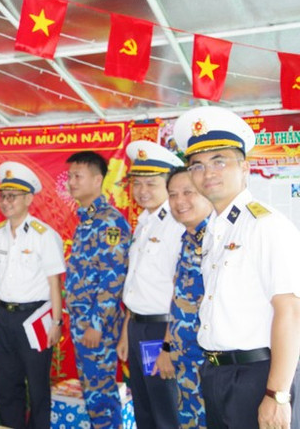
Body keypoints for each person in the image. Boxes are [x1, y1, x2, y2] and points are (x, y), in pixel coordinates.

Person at [173, 106, 300, 429]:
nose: (208, 173)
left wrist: (277, 394)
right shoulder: (217, 230)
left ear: (245, 167)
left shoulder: (265, 225)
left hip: (258, 376)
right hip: (218, 372)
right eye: (198, 165)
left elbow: (290, 310)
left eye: (220, 161)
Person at [0, 161, 65, 429]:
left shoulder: (44, 235)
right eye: (2, 196)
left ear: (28, 199)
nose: (6, 202)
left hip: (35, 318)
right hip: (4, 317)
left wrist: (56, 323)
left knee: (38, 387)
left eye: (12, 196)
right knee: (6, 385)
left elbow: (55, 283)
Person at [118, 140, 184, 429]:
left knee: (165, 410)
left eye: (152, 183)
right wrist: (125, 333)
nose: (142, 190)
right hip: (138, 328)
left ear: (168, 184)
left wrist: (168, 346)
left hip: (162, 330)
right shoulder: (144, 222)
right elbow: (137, 286)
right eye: (137, 183)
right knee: (143, 406)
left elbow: (179, 291)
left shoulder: (176, 225)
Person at [64, 151, 131, 429]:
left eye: (77, 176)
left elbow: (112, 277)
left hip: (96, 325)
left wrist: (96, 324)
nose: (70, 182)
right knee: (93, 393)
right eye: (69, 176)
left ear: (97, 179)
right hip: (83, 321)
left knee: (100, 396)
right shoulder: (86, 220)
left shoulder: (109, 221)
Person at [153, 166, 213, 428]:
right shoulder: (187, 239)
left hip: (210, 365)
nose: (179, 201)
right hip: (184, 360)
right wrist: (167, 346)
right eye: (173, 194)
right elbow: (178, 301)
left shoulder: (218, 239)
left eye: (187, 192)